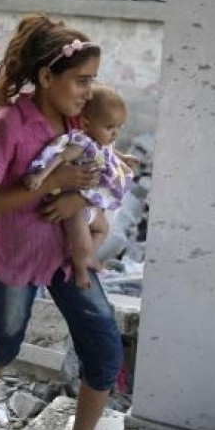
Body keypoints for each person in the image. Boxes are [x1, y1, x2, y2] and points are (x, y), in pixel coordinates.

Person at [0, 14, 126, 430]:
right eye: (80, 80)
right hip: (16, 255)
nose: (87, 90)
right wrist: (55, 184)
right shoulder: (8, 125)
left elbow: (100, 171)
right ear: (46, 77)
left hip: (67, 255)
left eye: (91, 80)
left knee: (104, 346)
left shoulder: (81, 118)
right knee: (8, 341)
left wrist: (79, 199)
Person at [23, 84, 136, 289]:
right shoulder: (81, 144)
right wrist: (41, 175)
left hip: (91, 204)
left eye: (120, 128)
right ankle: (81, 270)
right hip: (75, 206)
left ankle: (89, 258)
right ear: (85, 123)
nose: (115, 134)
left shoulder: (103, 144)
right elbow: (60, 157)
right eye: (110, 128)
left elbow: (111, 153)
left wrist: (124, 158)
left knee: (103, 229)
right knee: (81, 243)